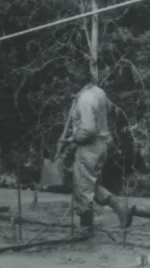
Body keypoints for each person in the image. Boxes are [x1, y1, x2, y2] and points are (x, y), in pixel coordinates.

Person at [56, 77, 134, 230]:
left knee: (82, 187)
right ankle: (120, 209)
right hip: (102, 145)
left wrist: (72, 138)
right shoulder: (99, 92)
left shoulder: (84, 100)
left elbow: (88, 130)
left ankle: (86, 227)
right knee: (91, 184)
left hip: (89, 147)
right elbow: (110, 109)